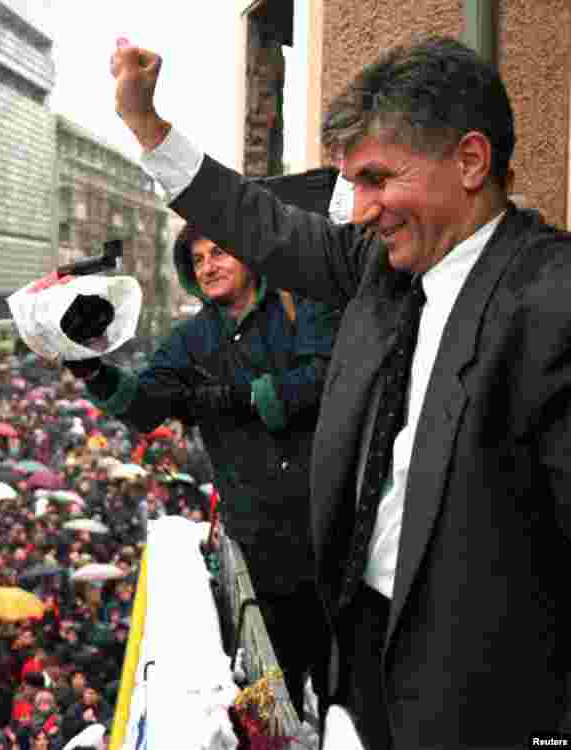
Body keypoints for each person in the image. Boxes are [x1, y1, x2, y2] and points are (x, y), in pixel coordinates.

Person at [110, 33, 571, 749]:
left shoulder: (551, 303)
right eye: (353, 183)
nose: (360, 209)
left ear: (471, 161)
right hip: (353, 663)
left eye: (378, 179)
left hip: (480, 701)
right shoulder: (375, 267)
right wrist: (148, 127)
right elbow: (258, 223)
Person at [64, 210, 339, 713]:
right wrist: (92, 371)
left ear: (250, 256)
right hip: (256, 538)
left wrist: (244, 398)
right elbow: (145, 405)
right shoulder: (192, 340)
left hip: (327, 529)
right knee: (282, 692)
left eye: (219, 252)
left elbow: (326, 379)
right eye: (198, 258)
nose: (209, 265)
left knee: (343, 683)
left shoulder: (300, 307)